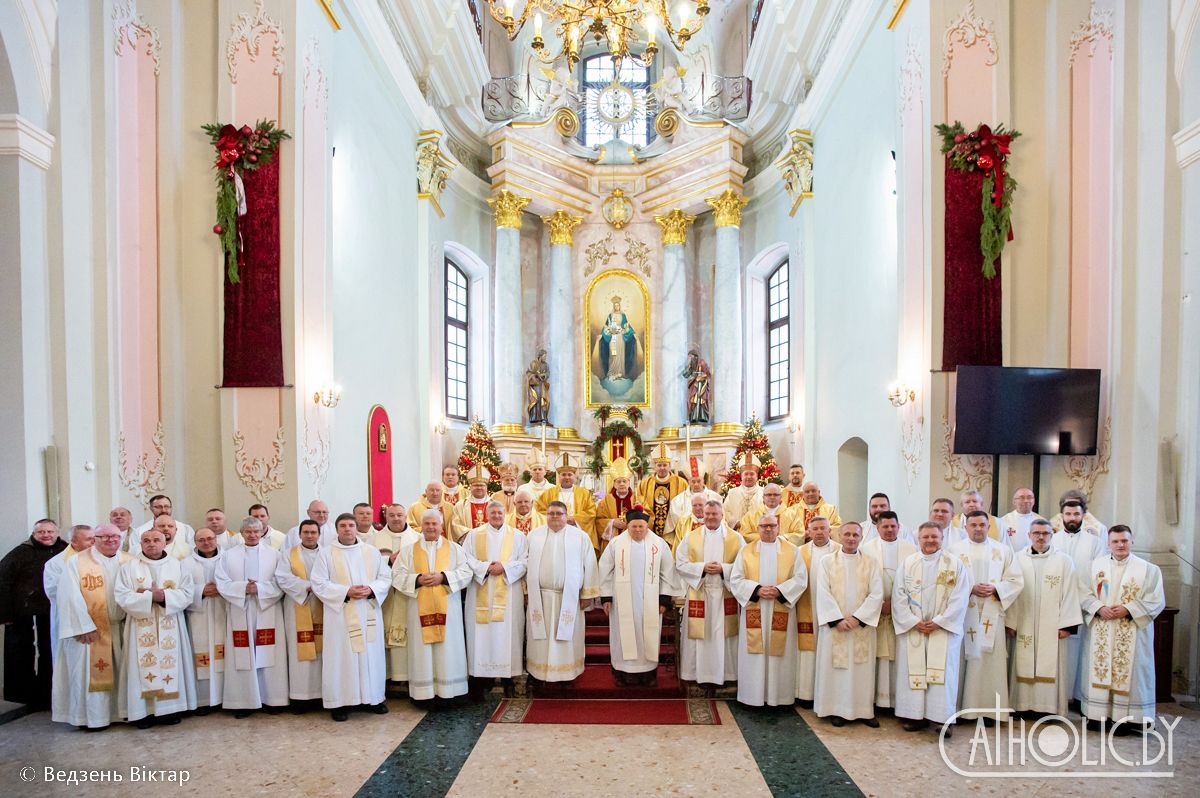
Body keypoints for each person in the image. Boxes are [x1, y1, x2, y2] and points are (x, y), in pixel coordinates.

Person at [1079, 525, 1165, 731]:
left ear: (1132, 541)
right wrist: (1098, 607)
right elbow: (1082, 592)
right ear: (1108, 543)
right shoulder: (1093, 567)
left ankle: (1127, 719)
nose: (1120, 545)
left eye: (1124, 541)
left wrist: (1128, 609)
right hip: (1102, 628)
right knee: (1099, 670)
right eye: (1115, 541)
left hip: (1132, 629)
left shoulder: (1149, 569)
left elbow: (1156, 599)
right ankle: (1097, 716)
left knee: (1133, 674)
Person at [310, 512, 392, 721]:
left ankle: (373, 698)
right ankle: (340, 703)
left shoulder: (371, 551)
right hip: (340, 615)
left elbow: (385, 577)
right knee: (341, 657)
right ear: (337, 529)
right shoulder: (326, 553)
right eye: (343, 526)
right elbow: (318, 583)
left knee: (371, 655)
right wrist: (346, 591)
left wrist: (371, 589)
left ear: (356, 529)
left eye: (350, 525)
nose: (347, 529)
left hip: (367, 610)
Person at [892, 522, 971, 734]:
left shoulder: (954, 565)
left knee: (943, 675)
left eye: (934, 537)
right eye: (925, 537)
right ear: (918, 539)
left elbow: (960, 598)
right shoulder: (908, 564)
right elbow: (899, 596)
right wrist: (913, 621)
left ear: (942, 539)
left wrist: (940, 621)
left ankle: (943, 719)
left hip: (942, 629)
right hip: (914, 628)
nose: (930, 541)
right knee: (913, 671)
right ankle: (914, 716)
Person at [114, 526, 197, 727]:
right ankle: (143, 713)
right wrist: (148, 597)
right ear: (140, 544)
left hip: (170, 623)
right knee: (140, 667)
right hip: (140, 625)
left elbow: (188, 593)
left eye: (156, 540)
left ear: (165, 543)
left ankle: (169, 710)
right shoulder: (128, 568)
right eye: (146, 541)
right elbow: (122, 596)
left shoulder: (177, 565)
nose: (151, 544)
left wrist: (164, 596)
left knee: (170, 664)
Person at [51, 524, 129, 729]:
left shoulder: (129, 560)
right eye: (105, 536)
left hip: (120, 627)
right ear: (95, 539)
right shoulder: (77, 562)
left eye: (115, 536)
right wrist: (83, 626)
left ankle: (122, 713)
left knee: (122, 673)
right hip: (90, 630)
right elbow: (69, 595)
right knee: (86, 675)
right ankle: (92, 719)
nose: (111, 540)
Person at [951, 510, 1024, 722]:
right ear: (965, 527)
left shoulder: (1003, 551)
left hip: (993, 613)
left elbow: (1016, 580)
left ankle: (990, 711)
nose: (978, 529)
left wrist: (996, 588)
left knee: (991, 662)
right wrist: (970, 588)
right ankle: (962, 709)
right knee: (965, 660)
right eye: (973, 525)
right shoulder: (954, 551)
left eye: (982, 525)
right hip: (964, 614)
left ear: (988, 527)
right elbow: (947, 581)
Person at [394, 510, 473, 703]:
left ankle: (450, 692)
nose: (430, 527)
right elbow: (396, 576)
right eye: (427, 523)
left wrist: (443, 577)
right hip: (418, 609)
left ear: (441, 526)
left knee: (448, 649)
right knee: (422, 651)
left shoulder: (454, 549)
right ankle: (424, 695)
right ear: (421, 526)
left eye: (434, 524)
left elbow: (466, 572)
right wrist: (417, 579)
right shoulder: (408, 551)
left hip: (448, 610)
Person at [1005, 519, 1082, 716]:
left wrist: (1067, 625)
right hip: (1024, 621)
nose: (1041, 537)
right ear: (1029, 535)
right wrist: (1010, 622)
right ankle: (1021, 705)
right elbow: (1011, 591)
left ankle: (1049, 708)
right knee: (1021, 661)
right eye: (1036, 533)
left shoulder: (1064, 561)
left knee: (1051, 664)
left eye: (1045, 533)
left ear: (1052, 535)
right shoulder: (1017, 558)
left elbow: (1070, 593)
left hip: (1053, 625)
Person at [730, 514, 808, 707]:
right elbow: (736, 579)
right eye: (764, 526)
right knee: (754, 654)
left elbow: (800, 578)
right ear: (758, 528)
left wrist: (780, 591)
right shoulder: (746, 551)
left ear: (778, 527)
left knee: (778, 654)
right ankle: (752, 696)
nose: (768, 529)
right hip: (755, 607)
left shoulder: (792, 551)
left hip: (780, 607)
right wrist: (756, 590)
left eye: (772, 526)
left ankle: (778, 697)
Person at [599, 506, 681, 686]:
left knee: (648, 637)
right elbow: (605, 570)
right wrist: (606, 597)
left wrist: (664, 599)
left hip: (651, 603)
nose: (637, 530)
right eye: (633, 526)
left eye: (641, 527)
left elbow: (667, 573)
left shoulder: (659, 544)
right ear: (628, 526)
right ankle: (622, 674)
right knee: (622, 637)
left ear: (647, 526)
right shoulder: (616, 544)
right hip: (621, 602)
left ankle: (648, 674)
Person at [216, 517, 288, 717]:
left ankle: (272, 700)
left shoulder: (275, 555)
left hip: (268, 609)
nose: (252, 535)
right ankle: (243, 702)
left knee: (270, 655)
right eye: (248, 531)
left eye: (256, 531)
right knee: (243, 655)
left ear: (262, 532)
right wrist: (243, 588)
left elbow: (281, 581)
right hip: (241, 609)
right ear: (241, 533)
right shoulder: (228, 555)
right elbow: (221, 582)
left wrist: (259, 588)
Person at [815, 522, 884, 727]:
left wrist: (858, 618)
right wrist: (836, 619)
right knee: (837, 670)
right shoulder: (827, 562)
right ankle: (837, 710)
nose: (851, 538)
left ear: (861, 538)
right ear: (839, 536)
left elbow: (876, 593)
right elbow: (822, 591)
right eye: (847, 534)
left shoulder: (871, 563)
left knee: (862, 669)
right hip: (836, 626)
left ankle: (863, 711)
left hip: (861, 627)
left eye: (855, 535)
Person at [524, 501, 601, 683]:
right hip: (540, 598)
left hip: (569, 599)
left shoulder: (580, 537)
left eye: (559, 513)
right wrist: (526, 591)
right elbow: (524, 563)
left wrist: (587, 594)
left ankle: (568, 674)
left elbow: (590, 565)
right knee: (540, 640)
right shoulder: (533, 536)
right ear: (546, 516)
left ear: (567, 516)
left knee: (567, 639)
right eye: (551, 513)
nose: (555, 517)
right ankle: (538, 674)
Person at [675, 499, 744, 690]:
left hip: (724, 594)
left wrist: (724, 569)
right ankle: (697, 674)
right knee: (700, 636)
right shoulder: (691, 537)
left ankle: (727, 674)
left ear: (722, 515)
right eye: (707, 514)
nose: (711, 517)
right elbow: (680, 563)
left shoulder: (736, 538)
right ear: (702, 515)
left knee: (726, 636)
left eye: (714, 514)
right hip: (700, 592)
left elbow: (744, 566)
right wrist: (702, 568)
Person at [0, 519, 67, 707]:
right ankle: (21, 697)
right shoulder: (20, 553)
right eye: (41, 532)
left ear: (57, 533)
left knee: (51, 652)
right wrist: (5, 615)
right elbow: (2, 581)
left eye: (50, 532)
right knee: (20, 653)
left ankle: (48, 696)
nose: (46, 535)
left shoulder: (65, 551)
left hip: (52, 611)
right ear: (34, 534)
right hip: (22, 612)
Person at [463, 502, 527, 691]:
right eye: (493, 513)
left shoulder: (518, 536)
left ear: (505, 514)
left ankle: (509, 679)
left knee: (508, 633)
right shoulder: (474, 535)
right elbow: (465, 558)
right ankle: (481, 680)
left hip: (509, 591)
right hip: (480, 589)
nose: (497, 516)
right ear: (487, 514)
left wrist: (504, 567)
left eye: (500, 512)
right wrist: (486, 568)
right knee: (481, 634)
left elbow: (525, 561)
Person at [1051, 498, 1107, 704]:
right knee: (1060, 651)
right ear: (1061, 516)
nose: (1072, 518)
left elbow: (1099, 574)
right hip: (1056, 603)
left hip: (1085, 603)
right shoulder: (1052, 540)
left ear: (1083, 515)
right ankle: (1059, 695)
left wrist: (1088, 599)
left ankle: (1078, 695)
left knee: (1082, 651)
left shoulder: (1095, 543)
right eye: (1068, 514)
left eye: (1076, 514)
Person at [861, 511, 917, 711]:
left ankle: (897, 700)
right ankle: (877, 699)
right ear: (878, 528)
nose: (890, 529)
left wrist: (897, 604)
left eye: (893, 526)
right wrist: (878, 603)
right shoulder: (866, 549)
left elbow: (916, 579)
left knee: (900, 656)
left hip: (902, 611)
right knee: (878, 656)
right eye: (885, 526)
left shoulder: (911, 549)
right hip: (876, 611)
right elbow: (863, 579)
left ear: (899, 527)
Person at [275, 519, 325, 707]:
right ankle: (300, 697)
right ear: (300, 534)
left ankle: (321, 694)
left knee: (322, 650)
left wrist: (322, 588)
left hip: (323, 605)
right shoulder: (288, 554)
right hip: (297, 604)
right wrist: (307, 586)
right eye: (306, 532)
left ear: (319, 535)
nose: (310, 536)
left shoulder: (327, 554)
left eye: (313, 532)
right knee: (298, 650)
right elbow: (282, 577)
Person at [796, 516, 839, 705]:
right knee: (808, 651)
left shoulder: (840, 550)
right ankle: (806, 694)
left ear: (830, 531)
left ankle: (830, 695)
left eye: (823, 528)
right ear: (809, 532)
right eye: (815, 529)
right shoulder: (800, 552)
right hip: (808, 605)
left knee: (830, 650)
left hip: (834, 609)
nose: (820, 532)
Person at [183, 528, 227, 713]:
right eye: (201, 540)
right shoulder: (185, 563)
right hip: (198, 616)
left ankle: (226, 697)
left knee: (225, 652)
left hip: (224, 613)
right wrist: (200, 590)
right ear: (195, 542)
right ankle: (204, 700)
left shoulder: (227, 558)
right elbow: (180, 588)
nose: (206, 542)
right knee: (200, 653)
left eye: (210, 538)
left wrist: (223, 588)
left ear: (216, 539)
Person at [377, 505, 420, 685]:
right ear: (385, 517)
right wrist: (388, 560)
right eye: (392, 515)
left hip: (407, 594)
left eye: (399, 515)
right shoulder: (374, 539)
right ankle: (386, 677)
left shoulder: (417, 538)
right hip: (384, 596)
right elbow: (367, 562)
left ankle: (407, 675)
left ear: (405, 516)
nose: (396, 518)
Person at [536, 453, 598, 551]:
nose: (567, 477)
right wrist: (557, 519)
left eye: (570, 474)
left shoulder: (584, 493)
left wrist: (575, 519)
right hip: (555, 532)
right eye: (563, 474)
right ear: (559, 476)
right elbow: (540, 511)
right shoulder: (548, 493)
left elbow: (591, 512)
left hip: (576, 533)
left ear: (574, 476)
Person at [44, 524, 93, 645]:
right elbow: (55, 592)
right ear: (74, 542)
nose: (93, 542)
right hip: (71, 619)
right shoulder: (56, 563)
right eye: (88, 539)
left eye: (94, 538)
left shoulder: (98, 557)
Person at [637, 444, 689, 540]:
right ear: (655, 466)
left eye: (665, 465)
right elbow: (640, 505)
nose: (662, 468)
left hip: (674, 530)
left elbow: (686, 505)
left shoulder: (681, 483)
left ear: (670, 466)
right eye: (659, 465)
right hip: (650, 531)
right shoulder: (644, 484)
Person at [666, 459, 721, 532]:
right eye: (693, 481)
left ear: (703, 480)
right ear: (688, 482)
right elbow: (673, 525)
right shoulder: (678, 501)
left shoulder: (715, 498)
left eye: (699, 481)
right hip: (686, 536)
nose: (696, 484)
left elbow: (721, 520)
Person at [595, 457, 637, 552]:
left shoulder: (637, 499)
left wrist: (632, 523)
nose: (621, 484)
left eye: (624, 481)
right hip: (612, 541)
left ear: (629, 483)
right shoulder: (606, 500)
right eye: (618, 481)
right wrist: (612, 522)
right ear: (614, 484)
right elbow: (598, 520)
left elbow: (648, 518)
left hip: (633, 539)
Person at [130, 494, 196, 550]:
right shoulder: (139, 531)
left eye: (166, 506)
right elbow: (134, 554)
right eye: (159, 507)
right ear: (151, 508)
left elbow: (193, 552)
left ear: (171, 508)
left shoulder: (186, 529)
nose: (163, 510)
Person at [723, 456, 764, 530]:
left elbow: (767, 512)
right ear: (741, 476)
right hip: (736, 532)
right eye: (746, 474)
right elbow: (725, 511)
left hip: (756, 532)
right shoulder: (732, 493)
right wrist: (736, 523)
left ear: (757, 476)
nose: (749, 477)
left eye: (752, 474)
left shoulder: (764, 493)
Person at [1000, 488, 1043, 552]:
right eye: (1021, 498)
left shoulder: (1041, 521)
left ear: (1034, 501)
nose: (1026, 501)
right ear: (1014, 502)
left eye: (1029, 497)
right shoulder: (1003, 521)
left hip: (1035, 556)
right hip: (1012, 556)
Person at [454, 465, 494, 533]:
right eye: (476, 485)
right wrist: (472, 534)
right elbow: (456, 525)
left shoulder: (494, 505)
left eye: (482, 485)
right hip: (469, 538)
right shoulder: (460, 506)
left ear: (486, 487)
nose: (479, 488)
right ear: (470, 487)